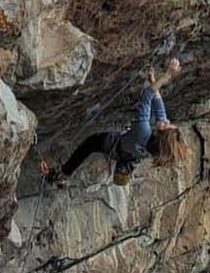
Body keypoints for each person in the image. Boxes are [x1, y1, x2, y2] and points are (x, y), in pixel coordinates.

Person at [58, 57, 185, 185]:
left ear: (160, 133)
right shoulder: (155, 146)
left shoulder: (143, 131)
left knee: (90, 143)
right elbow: (159, 108)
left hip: (113, 144)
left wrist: (166, 76)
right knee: (151, 118)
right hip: (127, 151)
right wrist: (154, 82)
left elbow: (147, 96)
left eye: (167, 125)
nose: (167, 121)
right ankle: (64, 174)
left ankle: (64, 173)